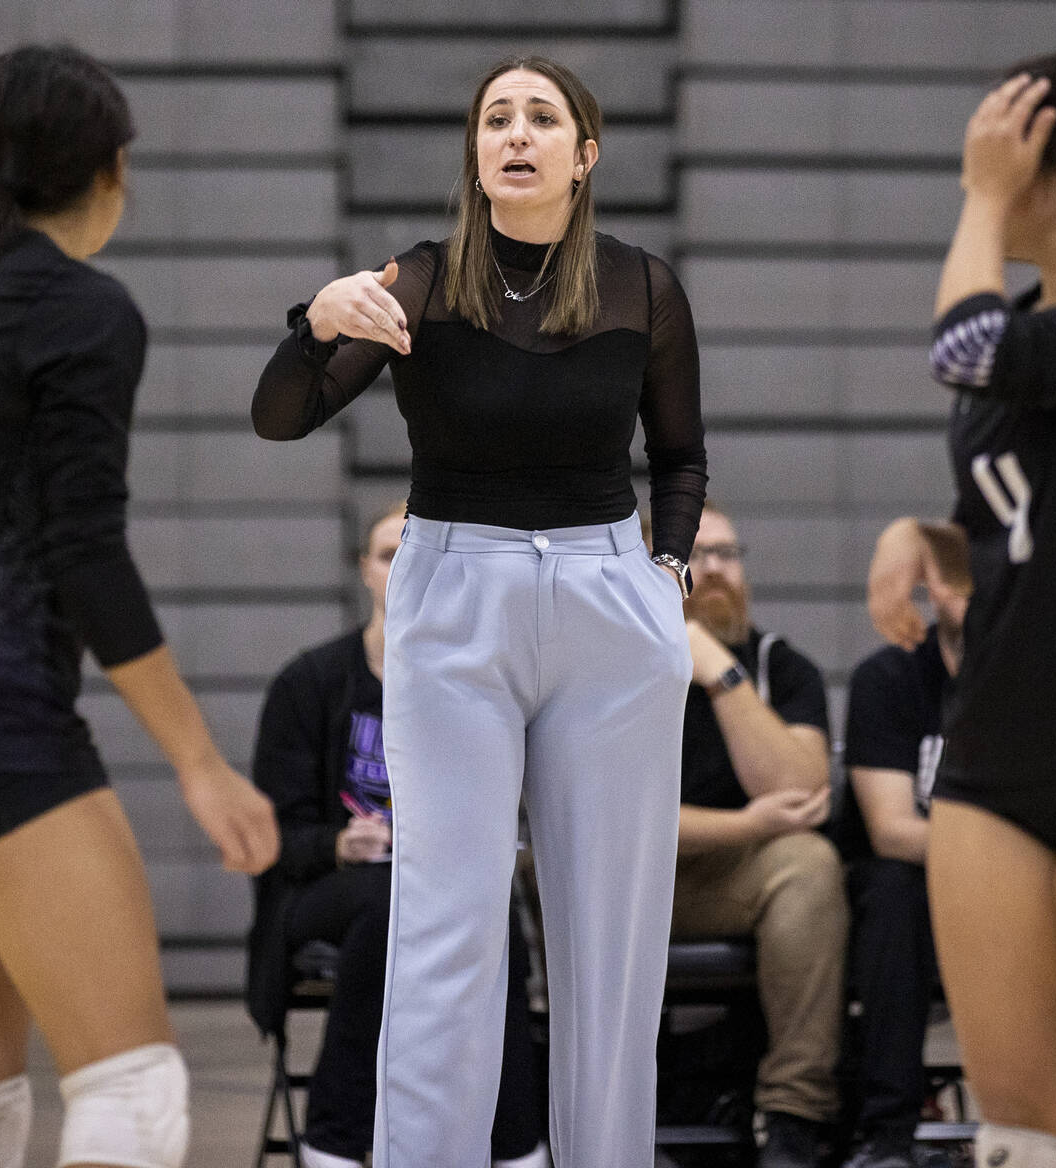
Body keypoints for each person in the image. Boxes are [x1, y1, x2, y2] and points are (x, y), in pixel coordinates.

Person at [253, 53, 705, 1168]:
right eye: (495, 117)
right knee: (446, 930)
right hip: (456, 591)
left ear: (583, 155)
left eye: (541, 117)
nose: (515, 132)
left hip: (613, 598)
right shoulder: (417, 280)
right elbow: (281, 415)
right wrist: (314, 319)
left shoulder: (643, 284)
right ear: (476, 151)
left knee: (610, 943)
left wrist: (669, 574)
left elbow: (682, 458)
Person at [0, 45, 278, 1168]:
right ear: (112, 168)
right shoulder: (83, 311)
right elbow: (86, 554)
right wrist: (199, 762)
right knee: (132, 1094)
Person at [868, 51, 1056, 1168]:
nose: (973, 187)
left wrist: (982, 199)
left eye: (996, 163)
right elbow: (1018, 524)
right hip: (990, 762)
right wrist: (919, 539)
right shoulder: (1032, 329)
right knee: (1022, 1137)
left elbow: (962, 348)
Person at [248, 504, 548, 1168]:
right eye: (390, 555)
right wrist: (336, 843)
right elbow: (273, 837)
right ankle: (338, 1138)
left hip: (444, 884)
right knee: (396, 906)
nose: (404, 570)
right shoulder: (312, 682)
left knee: (484, 911)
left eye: (421, 557)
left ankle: (515, 1145)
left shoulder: (478, 685)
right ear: (365, 571)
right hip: (327, 889)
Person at [669, 502, 845, 1168]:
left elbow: (800, 795)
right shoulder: (610, 660)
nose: (716, 571)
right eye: (698, 555)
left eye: (729, 555)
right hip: (623, 880)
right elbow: (607, 823)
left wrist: (721, 672)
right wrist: (747, 824)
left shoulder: (777, 666)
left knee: (808, 862)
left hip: (724, 881)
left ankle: (794, 1114)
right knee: (554, 857)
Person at [840, 526, 969, 1168]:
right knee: (896, 885)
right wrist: (1000, 853)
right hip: (904, 892)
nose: (969, 596)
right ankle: (887, 1134)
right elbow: (892, 828)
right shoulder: (888, 678)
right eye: (956, 579)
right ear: (929, 586)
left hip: (997, 893)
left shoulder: (1031, 684)